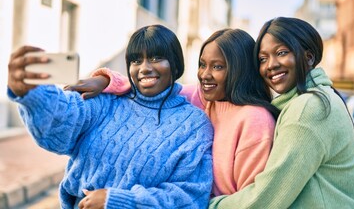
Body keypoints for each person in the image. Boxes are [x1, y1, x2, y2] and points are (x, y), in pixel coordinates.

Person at [7, 25, 214, 209]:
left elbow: (189, 197)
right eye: (136, 60)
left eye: (155, 58)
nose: (144, 68)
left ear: (176, 64)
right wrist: (32, 94)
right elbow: (61, 122)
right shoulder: (107, 101)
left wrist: (119, 201)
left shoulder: (194, 125)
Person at [66, 28, 280, 197]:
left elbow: (252, 197)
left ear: (240, 69)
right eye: (202, 65)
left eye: (217, 67)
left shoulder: (255, 120)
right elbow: (148, 85)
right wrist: (105, 80)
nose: (204, 75)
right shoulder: (202, 97)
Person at [207, 17, 354, 208]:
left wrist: (208, 205)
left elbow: (265, 199)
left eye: (281, 53)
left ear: (309, 57)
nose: (271, 64)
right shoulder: (317, 97)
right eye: (263, 59)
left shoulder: (308, 109)